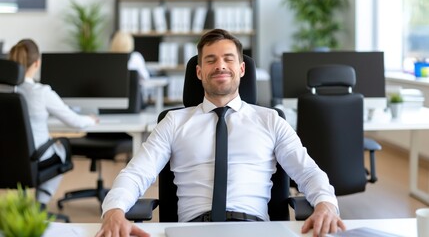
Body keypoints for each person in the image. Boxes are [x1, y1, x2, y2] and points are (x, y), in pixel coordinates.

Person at [96, 29, 346, 237]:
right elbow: (137, 173)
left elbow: (308, 171)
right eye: (211, 60)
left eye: (228, 59)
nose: (220, 66)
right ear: (199, 72)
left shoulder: (270, 120)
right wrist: (114, 210)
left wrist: (325, 204)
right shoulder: (174, 122)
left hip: (255, 229)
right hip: (192, 230)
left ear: (241, 69)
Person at [8, 39, 99, 208]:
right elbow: (75, 122)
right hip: (34, 160)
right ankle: (40, 204)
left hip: (5, 162)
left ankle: (27, 206)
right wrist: (90, 119)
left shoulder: (3, 92)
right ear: (37, 63)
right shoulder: (41, 93)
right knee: (62, 147)